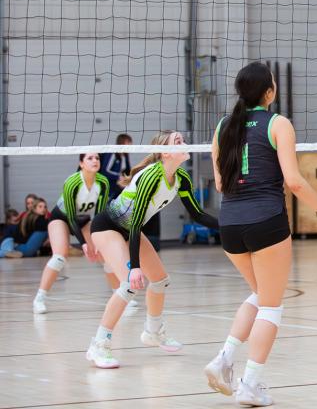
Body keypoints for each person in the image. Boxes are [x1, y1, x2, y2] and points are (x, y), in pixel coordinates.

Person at [204, 61, 317, 406]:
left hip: (230, 224)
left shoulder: (223, 126)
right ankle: (250, 384)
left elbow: (220, 183)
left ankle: (223, 359)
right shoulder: (278, 123)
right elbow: (294, 181)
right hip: (266, 220)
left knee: (258, 294)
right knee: (271, 305)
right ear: (270, 92)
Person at [86, 130, 218, 368]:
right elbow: (136, 222)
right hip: (108, 226)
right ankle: (99, 345)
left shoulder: (181, 178)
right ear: (165, 152)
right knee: (128, 284)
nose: (185, 143)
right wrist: (135, 268)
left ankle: (153, 332)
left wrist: (229, 226)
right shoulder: (150, 176)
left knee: (159, 280)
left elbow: (197, 214)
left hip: (130, 230)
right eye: (178, 141)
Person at [32, 154, 111, 314]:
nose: (95, 161)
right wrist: (83, 244)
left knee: (105, 254)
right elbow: (70, 217)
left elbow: (99, 215)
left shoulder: (103, 182)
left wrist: (97, 240)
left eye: (97, 158)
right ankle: (39, 298)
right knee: (60, 256)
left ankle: (120, 294)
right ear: (81, 163)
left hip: (83, 220)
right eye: (90, 158)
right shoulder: (72, 182)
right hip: (61, 218)